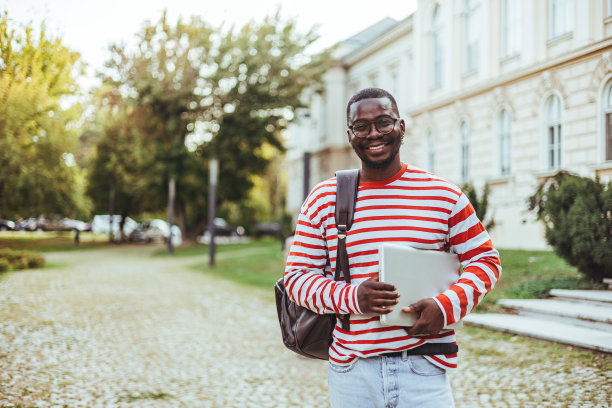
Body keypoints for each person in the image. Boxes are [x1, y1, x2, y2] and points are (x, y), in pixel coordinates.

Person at [284, 87, 501, 407]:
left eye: (384, 122)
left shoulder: (443, 195)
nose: (374, 133)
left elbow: (485, 260)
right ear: (350, 134)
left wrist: (446, 306)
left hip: (424, 368)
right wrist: (354, 296)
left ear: (401, 126)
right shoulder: (323, 199)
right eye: (362, 126)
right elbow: (297, 279)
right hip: (352, 371)